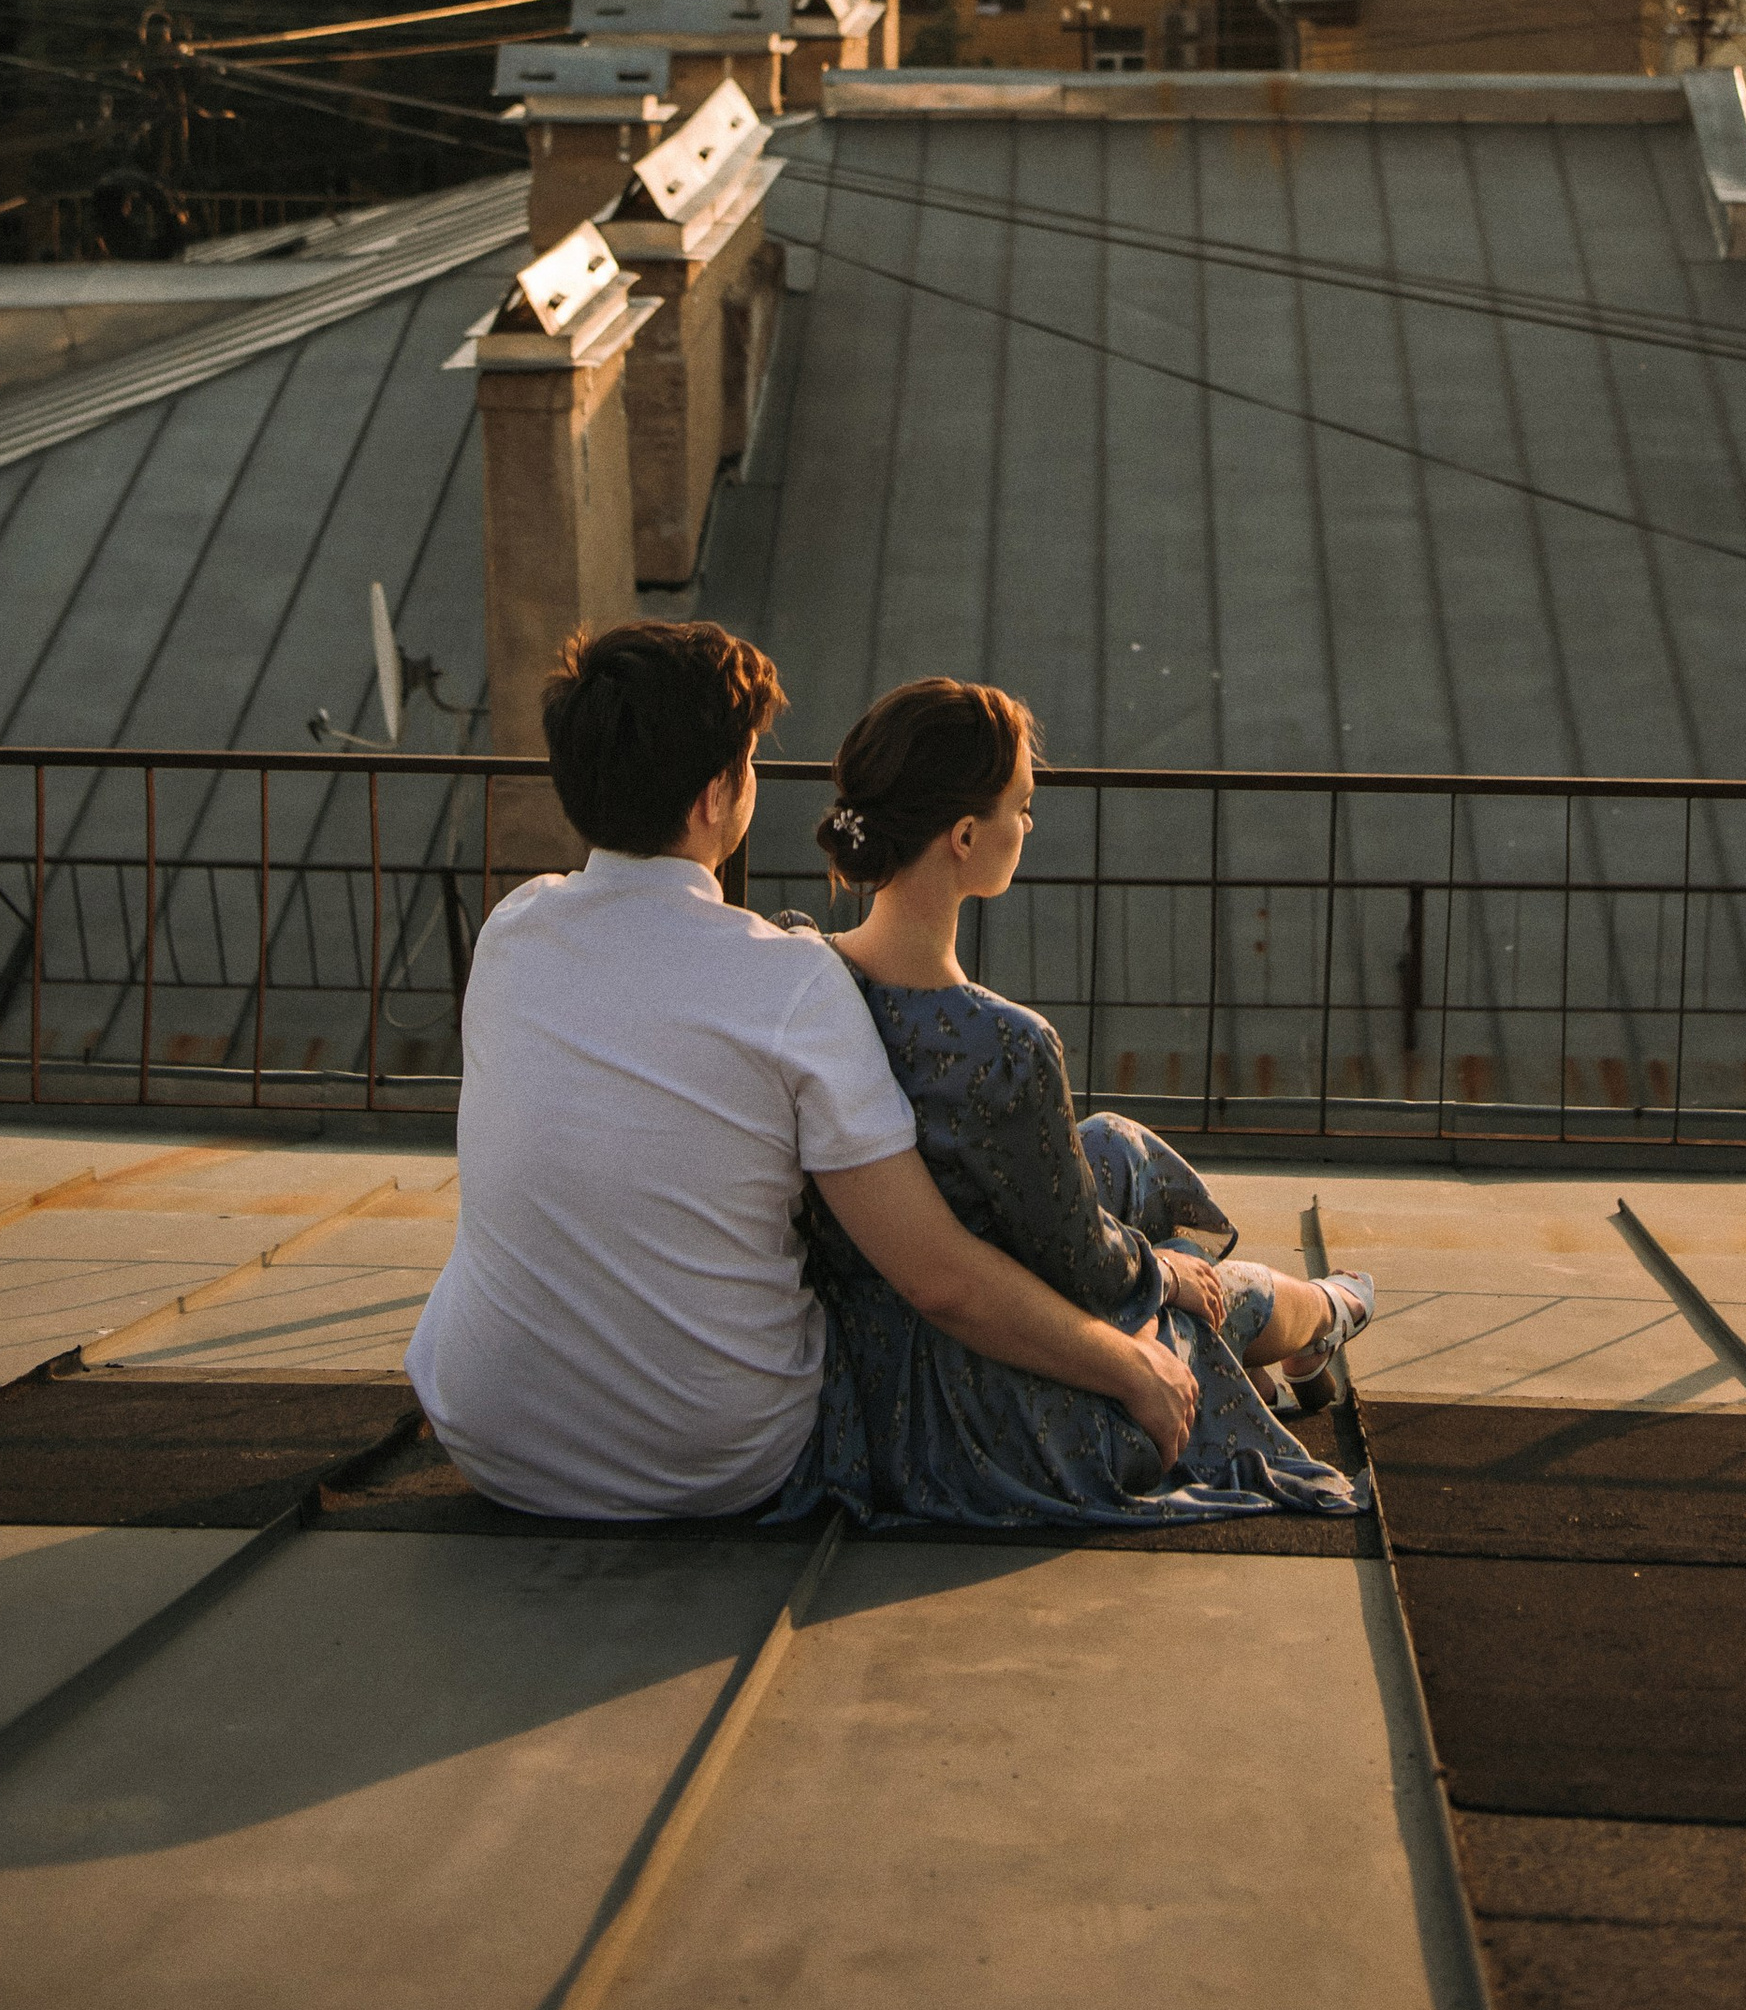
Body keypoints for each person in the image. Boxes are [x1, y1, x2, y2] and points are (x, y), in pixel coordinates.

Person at [406, 623, 1198, 1522]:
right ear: (715, 798)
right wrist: (1129, 1367)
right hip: (711, 1459)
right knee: (1068, 1255)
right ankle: (1270, 1304)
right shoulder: (787, 978)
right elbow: (939, 1278)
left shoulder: (514, 930)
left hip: (493, 1438)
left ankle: (1249, 1295)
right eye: (746, 761)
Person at [780, 678, 1372, 1532]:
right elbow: (1084, 1273)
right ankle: (1330, 1310)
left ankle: (1288, 1316)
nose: (1029, 823)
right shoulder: (1005, 1046)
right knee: (1201, 1287)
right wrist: (1161, 1269)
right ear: (965, 835)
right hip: (981, 1410)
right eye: (1021, 805)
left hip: (855, 1371)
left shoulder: (807, 965)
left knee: (1111, 1145)